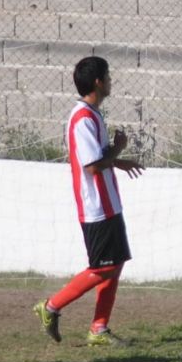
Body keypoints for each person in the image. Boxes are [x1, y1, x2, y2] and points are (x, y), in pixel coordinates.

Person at [33, 56, 144, 346]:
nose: (111, 81)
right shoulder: (82, 118)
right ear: (98, 82)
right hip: (96, 206)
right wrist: (118, 150)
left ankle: (99, 329)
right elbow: (92, 166)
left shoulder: (93, 114)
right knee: (102, 267)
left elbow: (97, 159)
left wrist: (118, 160)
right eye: (108, 76)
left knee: (115, 264)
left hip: (109, 203)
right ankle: (51, 306)